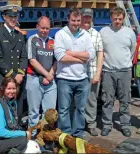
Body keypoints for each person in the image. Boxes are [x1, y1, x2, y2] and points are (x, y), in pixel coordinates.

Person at [54, 7, 95, 138]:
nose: (76, 23)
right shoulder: (60, 34)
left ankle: (78, 134)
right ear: (68, 19)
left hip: (82, 79)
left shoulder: (86, 35)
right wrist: (81, 59)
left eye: (78, 21)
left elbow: (91, 55)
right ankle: (65, 135)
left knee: (80, 109)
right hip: (64, 79)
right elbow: (61, 57)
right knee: (64, 110)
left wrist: (71, 53)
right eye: (73, 20)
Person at [99, 7, 136, 137]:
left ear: (123, 19)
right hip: (108, 71)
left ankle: (125, 125)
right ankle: (107, 125)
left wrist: (124, 63)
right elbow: (100, 51)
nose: (117, 21)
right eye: (115, 18)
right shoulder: (104, 32)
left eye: (120, 19)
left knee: (125, 99)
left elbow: (132, 50)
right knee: (107, 100)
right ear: (111, 18)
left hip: (125, 71)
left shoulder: (129, 33)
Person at [0, 77, 41, 153]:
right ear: (3, 89)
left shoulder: (12, 102)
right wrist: (24, 133)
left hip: (0, 139)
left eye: (14, 88)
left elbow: (12, 126)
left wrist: (23, 132)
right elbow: (1, 132)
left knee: (23, 139)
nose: (12, 91)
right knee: (22, 140)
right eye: (9, 88)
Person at [0, 5, 28, 122]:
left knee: (19, 105)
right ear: (4, 17)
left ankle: (17, 126)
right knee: (3, 105)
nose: (13, 19)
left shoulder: (20, 35)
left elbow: (24, 56)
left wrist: (20, 74)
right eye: (10, 16)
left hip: (19, 77)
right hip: (4, 76)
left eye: (15, 16)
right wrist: (12, 76)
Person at [26, 16, 57, 136]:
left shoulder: (52, 42)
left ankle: (46, 137)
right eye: (42, 28)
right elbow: (32, 60)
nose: (44, 30)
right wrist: (46, 75)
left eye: (47, 28)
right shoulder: (32, 40)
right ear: (37, 27)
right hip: (34, 78)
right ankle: (32, 136)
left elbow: (57, 60)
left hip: (50, 80)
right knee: (33, 112)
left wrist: (51, 74)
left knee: (49, 112)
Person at [81, 8, 104, 136]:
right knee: (77, 101)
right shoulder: (75, 33)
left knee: (91, 100)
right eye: (84, 16)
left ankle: (91, 124)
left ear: (92, 18)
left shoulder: (96, 34)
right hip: (77, 75)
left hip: (92, 73)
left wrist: (97, 73)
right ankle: (79, 124)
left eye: (89, 17)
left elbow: (100, 55)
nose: (86, 19)